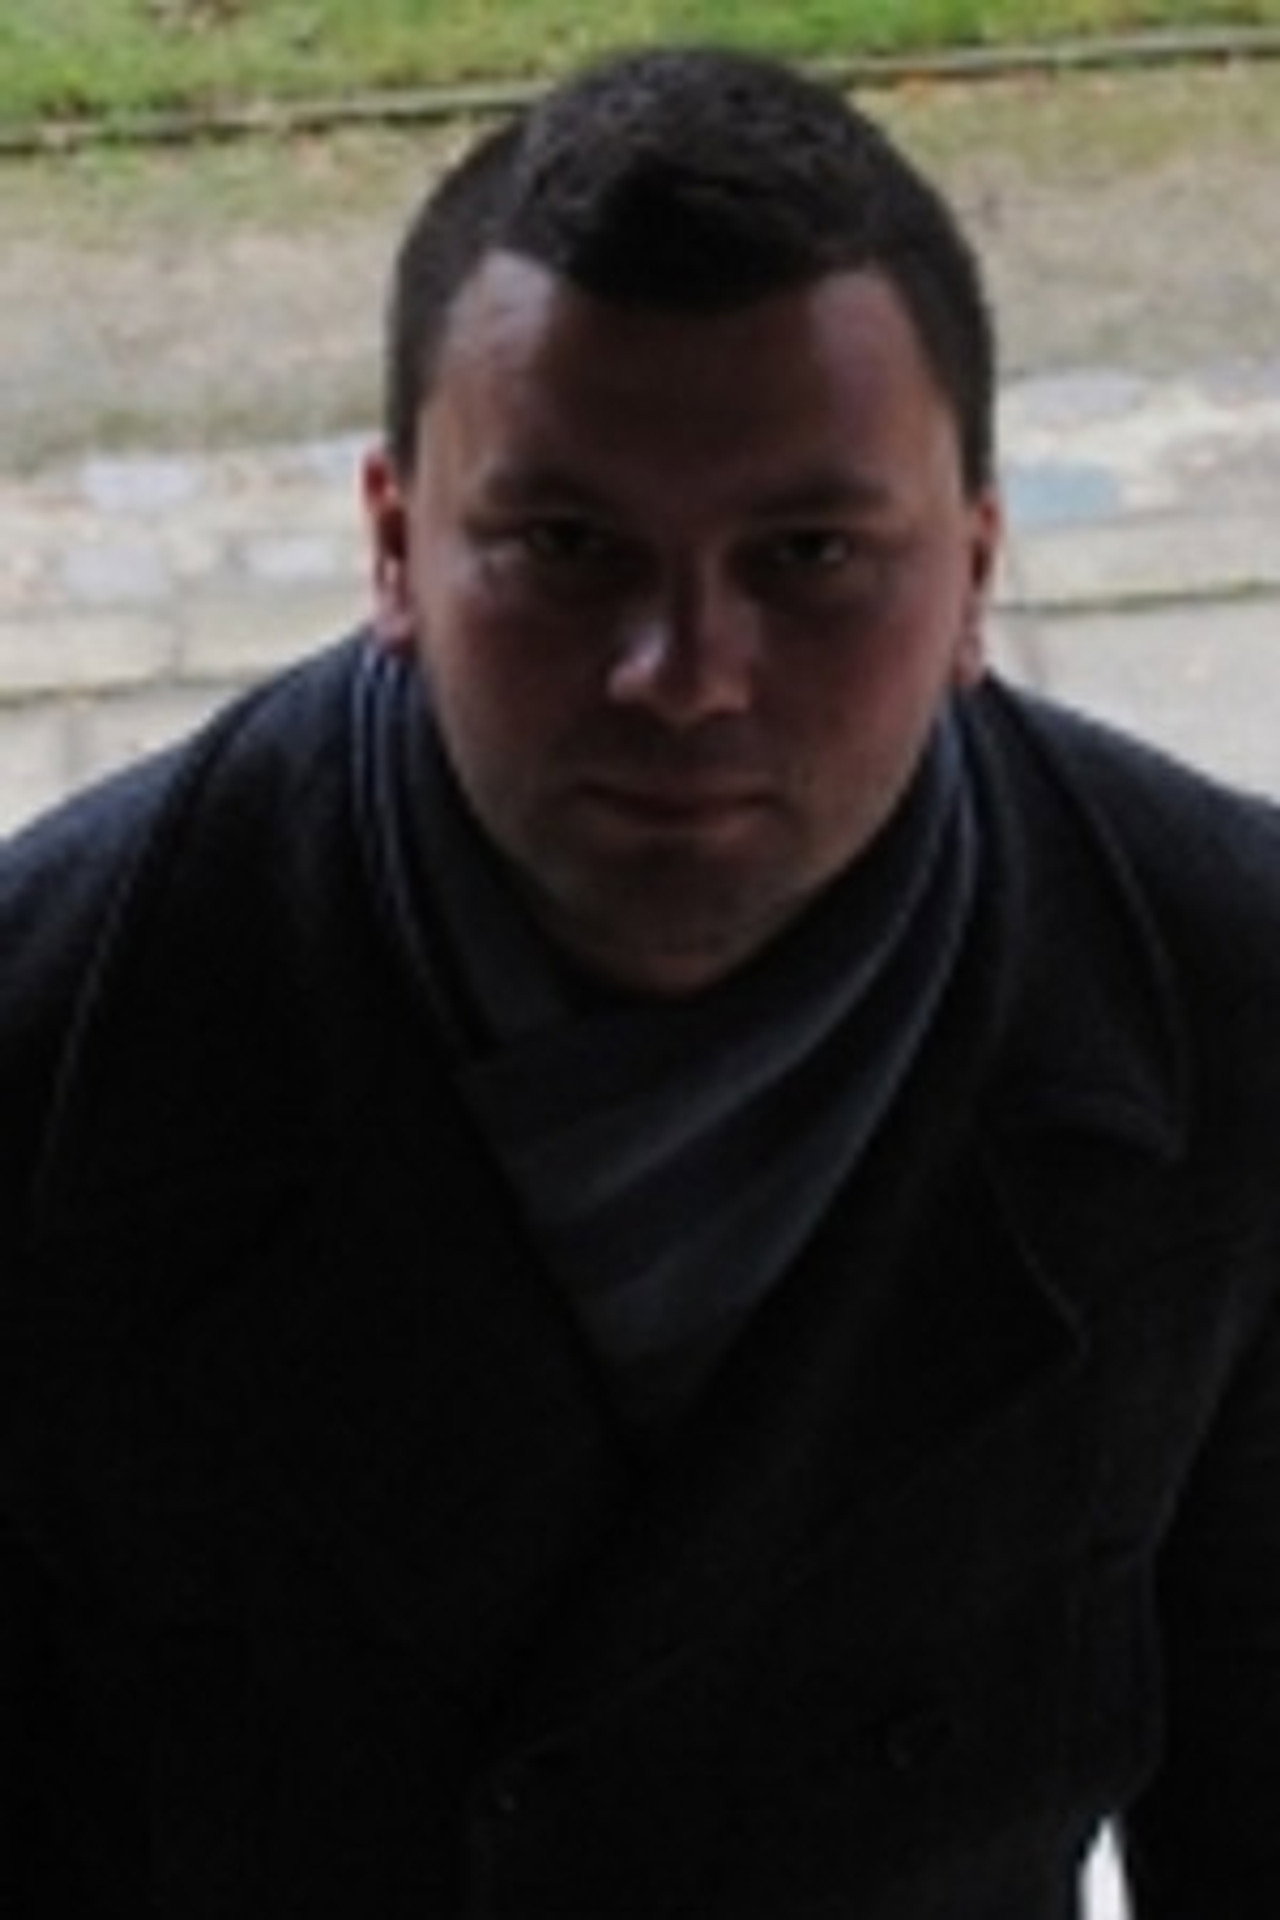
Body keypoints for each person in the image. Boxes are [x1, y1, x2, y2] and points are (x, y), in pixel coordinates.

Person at [1, 42, 1278, 1919]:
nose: (683, 675)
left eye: (812, 554)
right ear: (393, 549)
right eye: (567, 549)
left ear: (976, 571)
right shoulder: (53, 1041)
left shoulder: (1233, 1002)